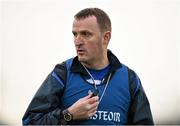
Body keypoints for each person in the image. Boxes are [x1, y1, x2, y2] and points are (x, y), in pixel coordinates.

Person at [22, 7, 154, 125]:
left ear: (106, 37)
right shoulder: (62, 74)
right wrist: (69, 115)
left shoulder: (129, 79)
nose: (77, 41)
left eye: (85, 34)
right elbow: (30, 122)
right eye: (75, 34)